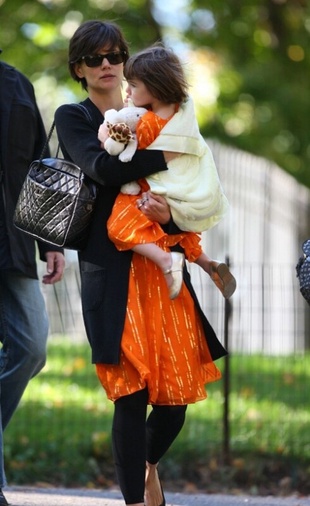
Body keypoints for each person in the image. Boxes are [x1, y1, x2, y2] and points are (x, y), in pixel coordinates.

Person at [55, 20, 228, 506]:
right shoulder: (75, 117)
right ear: (79, 69)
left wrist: (172, 212)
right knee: (130, 396)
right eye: (95, 59)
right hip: (110, 271)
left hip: (163, 267)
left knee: (173, 403)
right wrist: (169, 151)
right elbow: (104, 169)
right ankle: (134, 498)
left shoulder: (160, 110)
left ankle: (147, 464)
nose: (108, 65)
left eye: (115, 56)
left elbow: (184, 187)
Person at [101, 45, 236, 300]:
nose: (127, 91)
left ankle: (166, 261)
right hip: (178, 194)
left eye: (134, 85)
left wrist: (106, 133)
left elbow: (127, 155)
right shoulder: (180, 113)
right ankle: (209, 264)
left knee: (118, 227)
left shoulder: (149, 122)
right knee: (185, 235)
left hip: (151, 192)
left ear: (154, 86)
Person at [0, 53, 65, 506]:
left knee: (31, 347)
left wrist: (52, 242)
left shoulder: (18, 85)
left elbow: (40, 168)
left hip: (14, 244)